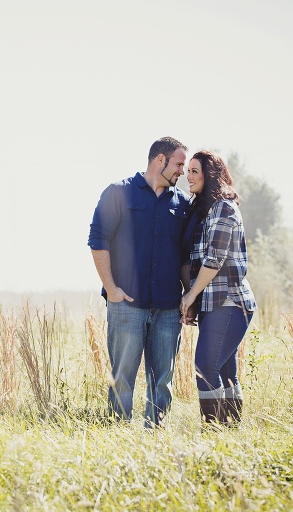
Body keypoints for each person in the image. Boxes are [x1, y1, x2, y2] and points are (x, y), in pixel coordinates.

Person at [88, 137, 191, 428]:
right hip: (127, 304)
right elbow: (98, 241)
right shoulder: (119, 193)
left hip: (169, 308)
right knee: (122, 378)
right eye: (179, 164)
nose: (182, 171)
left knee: (162, 382)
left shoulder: (182, 204)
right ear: (160, 160)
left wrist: (187, 299)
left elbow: (185, 257)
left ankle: (155, 435)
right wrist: (111, 289)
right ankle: (119, 435)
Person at [179, 150, 257, 426]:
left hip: (231, 301)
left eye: (194, 171)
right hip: (214, 304)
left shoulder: (224, 207)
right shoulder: (205, 212)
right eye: (187, 171)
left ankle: (214, 431)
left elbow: (215, 259)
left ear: (209, 175)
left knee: (205, 367)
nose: (188, 176)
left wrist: (190, 296)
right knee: (224, 371)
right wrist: (194, 299)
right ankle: (230, 432)